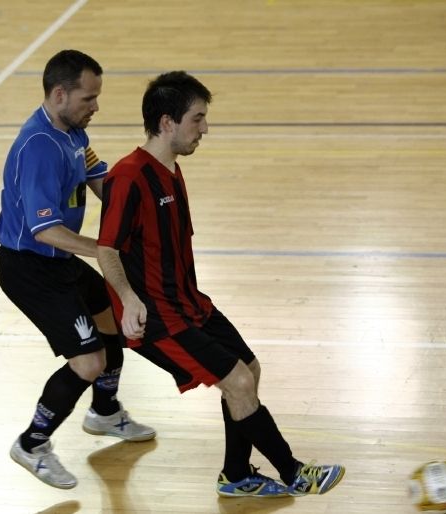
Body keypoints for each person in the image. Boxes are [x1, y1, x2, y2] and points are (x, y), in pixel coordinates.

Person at [96, 71, 345, 498]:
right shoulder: (130, 177)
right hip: (158, 319)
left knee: (249, 370)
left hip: (190, 304)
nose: (205, 128)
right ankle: (294, 472)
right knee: (238, 382)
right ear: (167, 122)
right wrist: (129, 299)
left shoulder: (171, 172)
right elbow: (107, 249)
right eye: (197, 119)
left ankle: (235, 475)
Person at [0, 49, 156, 489]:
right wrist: (106, 249)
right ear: (60, 94)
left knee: (112, 324)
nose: (96, 106)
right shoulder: (39, 148)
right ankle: (32, 443)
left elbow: (99, 179)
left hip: (60, 262)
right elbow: (44, 229)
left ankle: (104, 413)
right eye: (89, 98)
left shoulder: (71, 133)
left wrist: (140, 218)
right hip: (31, 268)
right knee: (88, 362)